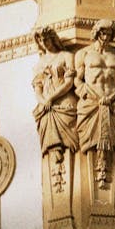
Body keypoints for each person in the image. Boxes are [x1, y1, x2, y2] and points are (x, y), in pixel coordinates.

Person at [75, 20, 115, 186]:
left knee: (110, 143)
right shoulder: (84, 54)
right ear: (96, 33)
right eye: (102, 33)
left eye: (109, 34)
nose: (105, 37)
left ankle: (105, 170)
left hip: (112, 105)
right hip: (91, 104)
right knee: (93, 142)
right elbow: (77, 80)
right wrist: (87, 94)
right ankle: (98, 170)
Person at [32, 27, 79, 170]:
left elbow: (69, 82)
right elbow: (37, 88)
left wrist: (51, 98)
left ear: (53, 38)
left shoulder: (66, 56)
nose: (44, 42)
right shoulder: (38, 65)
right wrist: (43, 101)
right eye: (40, 40)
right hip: (46, 107)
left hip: (64, 103)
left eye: (46, 38)